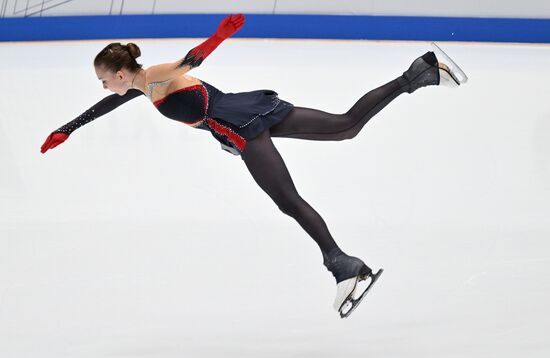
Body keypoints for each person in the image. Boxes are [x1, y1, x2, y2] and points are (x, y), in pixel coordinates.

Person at [40, 14, 467, 318]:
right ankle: (422, 72)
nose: (102, 85)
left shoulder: (152, 76)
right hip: (244, 111)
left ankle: (343, 265)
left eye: (102, 78)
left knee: (288, 199)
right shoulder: (140, 87)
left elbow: (191, 61)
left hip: (239, 123)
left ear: (118, 72)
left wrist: (219, 35)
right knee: (345, 127)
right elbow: (105, 105)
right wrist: (69, 128)